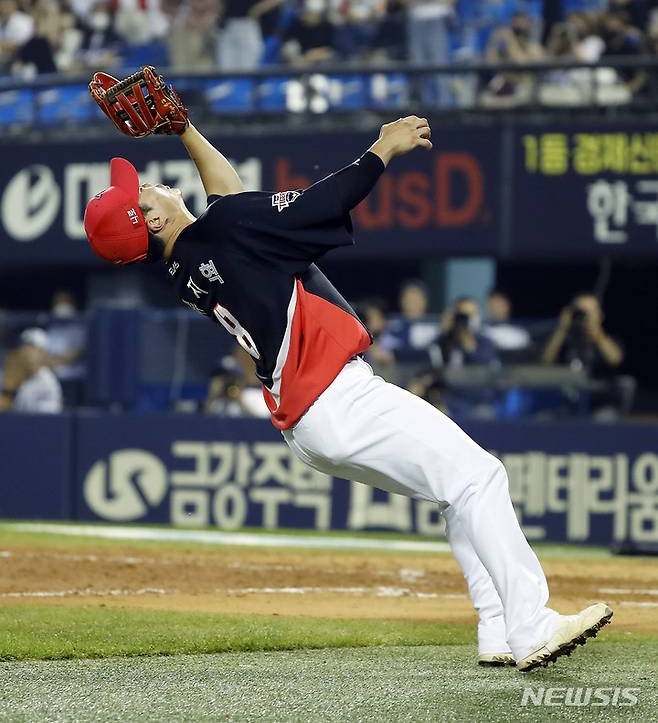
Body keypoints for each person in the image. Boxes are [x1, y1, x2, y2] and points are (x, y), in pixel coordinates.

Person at [84, 100, 612, 671]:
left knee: (458, 489)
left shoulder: (186, 262)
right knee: (480, 476)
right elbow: (321, 204)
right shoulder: (224, 234)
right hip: (338, 396)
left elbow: (229, 198)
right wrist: (383, 148)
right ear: (152, 223)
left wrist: (186, 129)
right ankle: (531, 625)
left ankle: (498, 629)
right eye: (142, 194)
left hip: (311, 422)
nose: (150, 185)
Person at [0, 328, 63, 414]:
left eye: (32, 348)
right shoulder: (17, 376)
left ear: (43, 353)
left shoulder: (47, 382)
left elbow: (45, 417)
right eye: (25, 347)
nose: (26, 352)